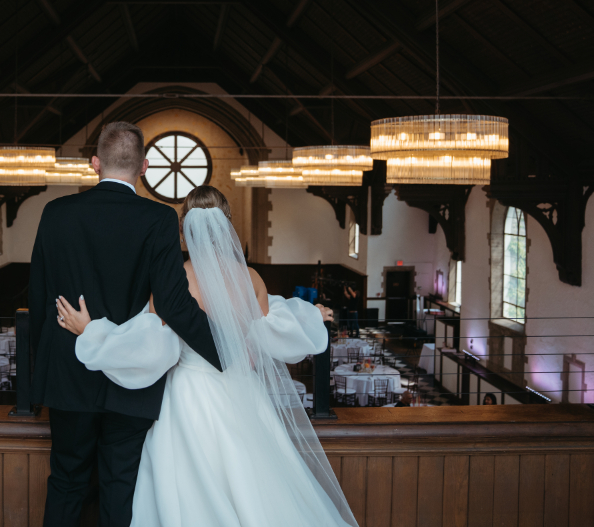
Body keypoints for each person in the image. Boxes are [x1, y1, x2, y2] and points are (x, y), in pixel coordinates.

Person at [56, 186, 359, 527]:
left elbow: (149, 342)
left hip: (188, 395)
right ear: (227, 225)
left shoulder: (175, 279)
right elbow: (265, 332)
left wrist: (91, 332)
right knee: (253, 480)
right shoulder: (251, 278)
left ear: (184, 229)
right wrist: (310, 314)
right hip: (242, 391)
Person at [29, 122, 221, 527]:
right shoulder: (159, 218)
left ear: (94, 163)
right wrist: (226, 352)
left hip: (67, 374)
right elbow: (173, 303)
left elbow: (39, 298)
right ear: (145, 167)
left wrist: (33, 382)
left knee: (66, 482)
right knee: (120, 485)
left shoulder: (56, 213)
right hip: (133, 376)